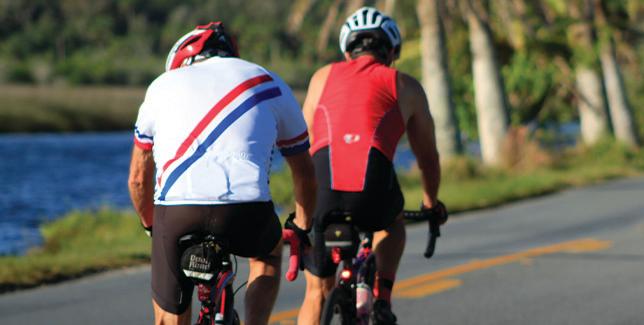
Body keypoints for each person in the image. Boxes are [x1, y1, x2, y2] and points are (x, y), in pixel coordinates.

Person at [127, 22, 316, 325]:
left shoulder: (162, 86)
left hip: (177, 214)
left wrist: (153, 228)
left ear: (183, 62)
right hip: (247, 211)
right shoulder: (268, 80)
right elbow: (304, 171)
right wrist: (302, 227)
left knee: (168, 312)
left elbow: (138, 179)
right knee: (266, 257)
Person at [292, 7, 446, 325]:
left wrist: (300, 210)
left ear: (348, 51)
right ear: (391, 51)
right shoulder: (406, 85)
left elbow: (300, 143)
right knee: (393, 222)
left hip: (321, 185)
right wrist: (431, 202)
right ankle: (382, 300)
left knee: (316, 292)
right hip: (371, 187)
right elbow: (427, 158)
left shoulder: (322, 77)